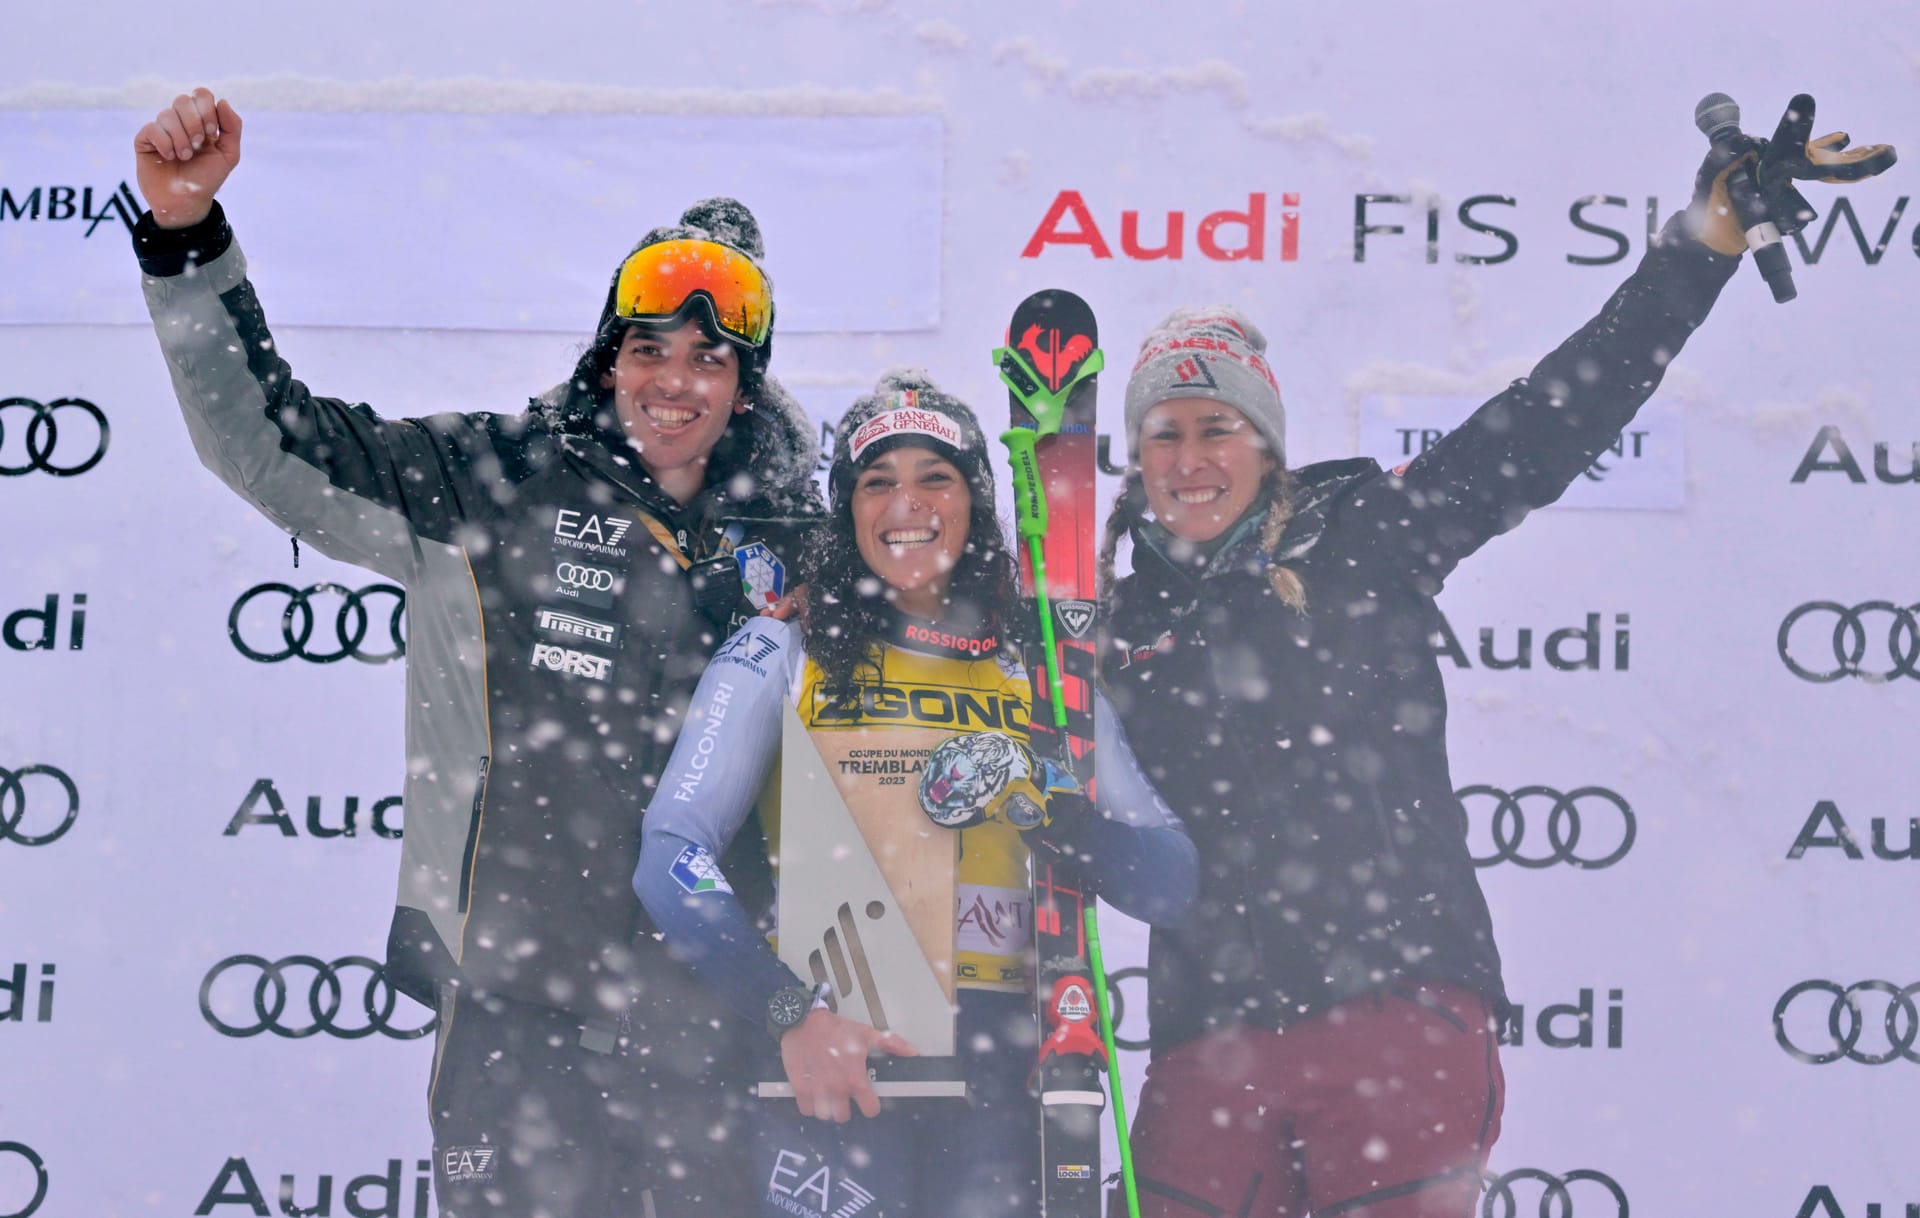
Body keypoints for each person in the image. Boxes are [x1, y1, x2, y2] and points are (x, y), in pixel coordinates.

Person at [1095, 125, 1891, 1217]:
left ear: (1266, 443)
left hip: (1394, 1008)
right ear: (1136, 459)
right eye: (1166, 435)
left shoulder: (1363, 536)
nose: (1191, 461)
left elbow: (1552, 418)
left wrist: (1702, 243)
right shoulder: (1117, 619)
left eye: (1217, 428)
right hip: (1208, 1039)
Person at [132, 88, 823, 1216]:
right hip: (514, 1008)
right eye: (648, 348)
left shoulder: (797, 533)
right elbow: (266, 445)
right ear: (607, 360)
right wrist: (186, 240)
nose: (675, 381)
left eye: (709, 357)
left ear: (747, 385)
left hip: (714, 1024)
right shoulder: (492, 482)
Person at [633, 371, 1198, 1217]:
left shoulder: (1039, 665)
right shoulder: (787, 646)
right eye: (877, 481)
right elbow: (671, 855)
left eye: (936, 476)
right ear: (847, 509)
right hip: (843, 1056)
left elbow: (1171, 878)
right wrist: (791, 1014)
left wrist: (1047, 813)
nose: (908, 504)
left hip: (1008, 1070)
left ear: (974, 500)